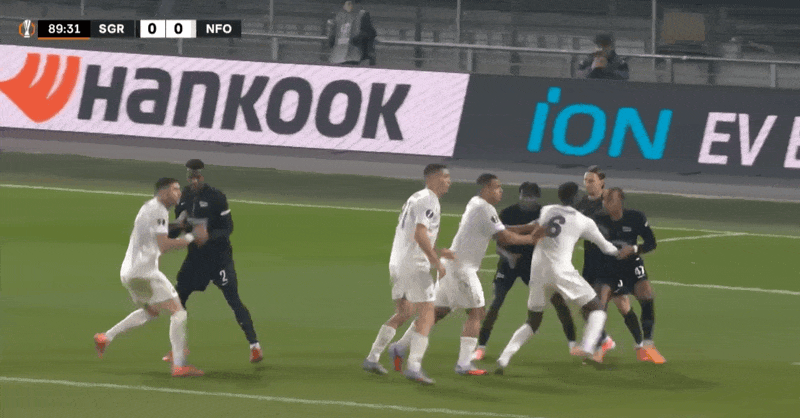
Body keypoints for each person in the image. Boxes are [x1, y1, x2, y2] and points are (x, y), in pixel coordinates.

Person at [388, 174, 542, 376]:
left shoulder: (476, 203)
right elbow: (504, 237)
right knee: (477, 312)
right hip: (462, 268)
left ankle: (399, 347)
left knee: (438, 312)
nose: (501, 191)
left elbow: (500, 229)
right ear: (486, 189)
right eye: (497, 187)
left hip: (452, 265)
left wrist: (528, 228)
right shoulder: (485, 208)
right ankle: (464, 364)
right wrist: (531, 239)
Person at [494, 182, 635, 374]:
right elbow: (606, 247)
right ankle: (588, 346)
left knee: (532, 321)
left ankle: (504, 358)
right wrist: (622, 251)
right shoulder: (583, 221)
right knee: (597, 309)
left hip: (538, 273)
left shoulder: (547, 209)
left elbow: (534, 226)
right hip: (561, 272)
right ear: (577, 198)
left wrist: (506, 228)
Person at [94, 178, 206, 377]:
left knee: (151, 311)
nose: (179, 193)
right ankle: (179, 365)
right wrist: (191, 237)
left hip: (129, 272)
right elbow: (164, 245)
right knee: (178, 313)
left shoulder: (149, 208)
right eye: (175, 189)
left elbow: (156, 232)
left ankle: (106, 337)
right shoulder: (159, 210)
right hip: (145, 272)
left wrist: (178, 225)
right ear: (163, 192)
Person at [164, 159, 263, 364]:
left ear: (202, 176)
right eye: (191, 176)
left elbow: (228, 228)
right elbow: (177, 229)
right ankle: (178, 348)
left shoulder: (216, 197)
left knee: (233, 300)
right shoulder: (183, 198)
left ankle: (254, 346)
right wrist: (174, 228)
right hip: (196, 260)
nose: (194, 180)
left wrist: (207, 235)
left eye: (197, 176)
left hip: (219, 259)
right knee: (178, 301)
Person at [362, 164, 452, 385]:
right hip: (414, 264)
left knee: (405, 311)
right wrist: (436, 262)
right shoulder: (429, 199)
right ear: (432, 178)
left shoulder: (415, 197)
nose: (449, 182)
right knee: (428, 313)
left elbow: (416, 234)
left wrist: (436, 253)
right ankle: (414, 366)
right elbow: (420, 234)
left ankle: (372, 357)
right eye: (445, 177)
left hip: (398, 261)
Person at [474, 182, 579, 361]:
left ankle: (573, 344)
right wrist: (509, 256)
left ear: (537, 197)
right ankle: (481, 347)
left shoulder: (544, 214)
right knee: (496, 302)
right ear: (520, 195)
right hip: (509, 263)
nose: (527, 199)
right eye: (524, 195)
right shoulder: (507, 213)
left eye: (531, 196)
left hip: (534, 265)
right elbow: (498, 242)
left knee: (557, 300)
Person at [594, 188, 666, 363]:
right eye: (604, 200)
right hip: (609, 268)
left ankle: (648, 345)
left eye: (610, 200)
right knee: (604, 307)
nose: (606, 203)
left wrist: (633, 249)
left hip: (632, 265)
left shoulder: (636, 217)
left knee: (646, 295)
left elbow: (651, 243)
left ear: (620, 201)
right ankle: (602, 344)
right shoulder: (598, 220)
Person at [574, 165, 617, 361]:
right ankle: (604, 340)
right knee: (586, 307)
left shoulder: (610, 202)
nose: (587, 184)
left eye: (591, 180)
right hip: (590, 261)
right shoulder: (581, 204)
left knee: (599, 304)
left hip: (608, 261)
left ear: (602, 182)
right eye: (586, 180)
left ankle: (598, 349)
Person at [327, 0, 377, 66]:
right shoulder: (339, 16)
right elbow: (333, 36)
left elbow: (370, 33)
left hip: (351, 55)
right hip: (341, 55)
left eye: (350, 3)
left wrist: (357, 39)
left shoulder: (361, 15)